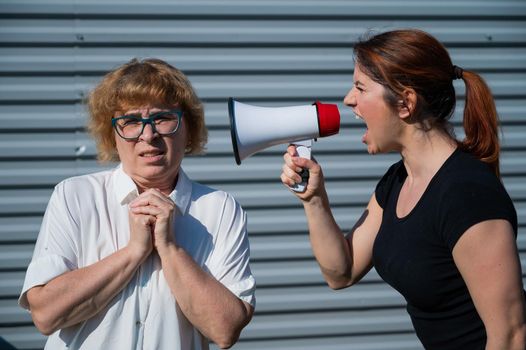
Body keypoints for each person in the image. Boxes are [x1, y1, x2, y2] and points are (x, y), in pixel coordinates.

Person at [280, 29, 526, 349]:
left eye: (360, 87)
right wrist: (313, 199)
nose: (348, 99)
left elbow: (510, 336)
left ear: (406, 103)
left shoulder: (466, 194)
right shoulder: (397, 181)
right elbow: (341, 271)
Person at [19, 58, 255, 350]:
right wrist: (134, 251)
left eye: (163, 118)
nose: (148, 135)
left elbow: (224, 330)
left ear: (188, 127)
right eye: (130, 122)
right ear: (111, 134)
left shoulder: (219, 208)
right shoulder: (74, 196)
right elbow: (45, 315)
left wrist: (169, 248)